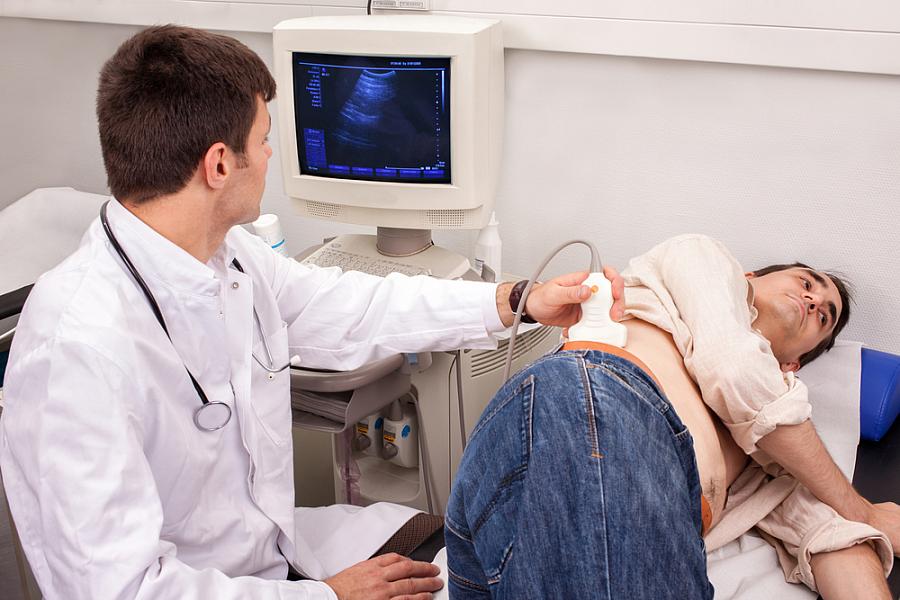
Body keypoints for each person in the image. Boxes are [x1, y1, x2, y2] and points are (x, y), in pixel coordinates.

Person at [0, 25, 608, 600]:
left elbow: (349, 306)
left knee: (466, 553)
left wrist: (518, 300)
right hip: (213, 585)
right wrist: (329, 596)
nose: (270, 156)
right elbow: (124, 591)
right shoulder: (75, 349)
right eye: (263, 139)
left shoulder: (227, 257)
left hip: (272, 551)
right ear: (218, 165)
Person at [446, 234, 899, 599]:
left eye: (826, 316)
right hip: (590, 399)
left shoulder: (780, 453)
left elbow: (832, 533)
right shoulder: (703, 258)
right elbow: (733, 366)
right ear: (747, 277)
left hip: (553, 507)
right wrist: (863, 508)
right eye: (806, 282)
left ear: (795, 365)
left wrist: (861, 522)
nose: (814, 300)